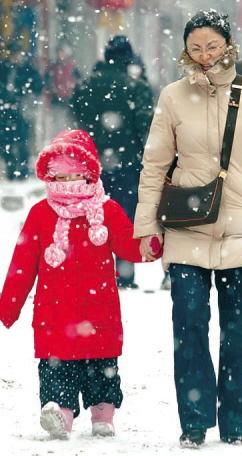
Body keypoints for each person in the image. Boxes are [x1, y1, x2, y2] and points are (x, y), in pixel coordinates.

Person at [133, 10, 242, 448]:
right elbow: (155, 164)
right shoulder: (172, 96)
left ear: (228, 46)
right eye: (196, 47)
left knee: (238, 335)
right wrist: (148, 225)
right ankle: (195, 423)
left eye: (212, 46)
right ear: (186, 49)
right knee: (189, 328)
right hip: (186, 230)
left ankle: (236, 425)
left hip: (241, 235)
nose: (204, 55)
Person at [0, 130, 162, 439]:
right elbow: (21, 266)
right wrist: (7, 307)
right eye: (58, 176)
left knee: (102, 367)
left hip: (97, 310)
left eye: (72, 175)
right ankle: (59, 414)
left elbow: (127, 244)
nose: (64, 182)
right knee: (56, 370)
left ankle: (103, 414)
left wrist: (150, 245)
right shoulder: (40, 215)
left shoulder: (107, 212)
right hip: (55, 315)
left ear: (88, 174)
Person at [71, 35, 154, 288]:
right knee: (125, 217)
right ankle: (124, 273)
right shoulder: (136, 85)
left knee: (94, 215)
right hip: (128, 162)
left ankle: (95, 270)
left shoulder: (88, 84)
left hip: (93, 162)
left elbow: (78, 116)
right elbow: (145, 125)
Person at [0, 41, 42, 180]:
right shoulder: (3, 68)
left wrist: (25, 95)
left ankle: (23, 168)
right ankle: (11, 167)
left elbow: (38, 84)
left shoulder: (27, 68)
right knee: (6, 140)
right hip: (5, 110)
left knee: (23, 139)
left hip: (22, 109)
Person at [46, 42, 81, 132]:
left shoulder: (72, 66)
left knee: (67, 123)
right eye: (58, 52)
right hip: (56, 99)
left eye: (62, 52)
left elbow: (79, 80)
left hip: (68, 99)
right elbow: (47, 81)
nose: (60, 55)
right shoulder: (53, 67)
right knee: (57, 124)